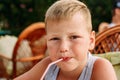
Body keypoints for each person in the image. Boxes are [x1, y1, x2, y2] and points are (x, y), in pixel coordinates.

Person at [14, 0, 117, 80]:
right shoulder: (47, 66)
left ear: (90, 41)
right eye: (55, 38)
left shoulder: (100, 68)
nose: (63, 48)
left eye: (74, 37)